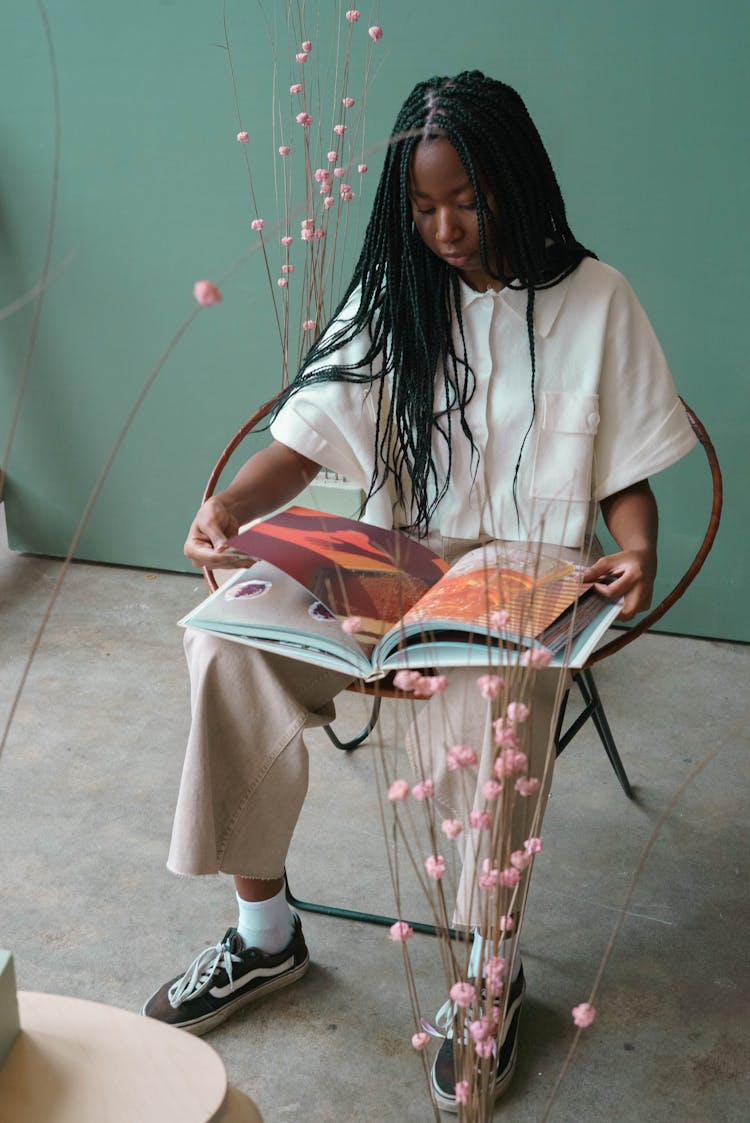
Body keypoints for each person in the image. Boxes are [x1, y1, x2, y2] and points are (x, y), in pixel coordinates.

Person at [142, 72, 696, 1111]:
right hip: (390, 569)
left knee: (493, 702)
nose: (443, 228)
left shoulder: (598, 299)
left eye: (467, 202)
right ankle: (266, 936)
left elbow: (625, 466)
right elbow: (303, 445)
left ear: (516, 184)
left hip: (525, 580)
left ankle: (492, 967)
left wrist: (638, 547)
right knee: (224, 644)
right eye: (423, 207)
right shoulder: (398, 290)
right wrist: (227, 505)